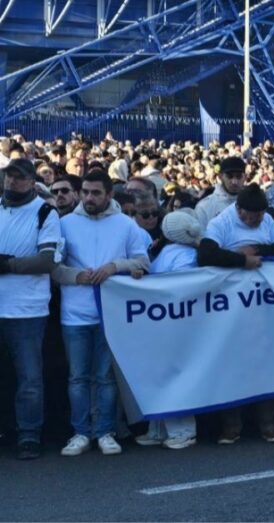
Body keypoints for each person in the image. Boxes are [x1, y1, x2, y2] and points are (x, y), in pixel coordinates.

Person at [53, 170, 151, 456]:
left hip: (111, 315)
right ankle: (81, 432)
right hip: (74, 314)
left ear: (109, 194)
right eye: (85, 192)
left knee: (105, 378)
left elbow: (142, 262)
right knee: (77, 377)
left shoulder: (126, 225)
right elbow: (54, 267)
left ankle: (105, 431)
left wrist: (114, 267)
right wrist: (76, 276)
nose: (89, 198)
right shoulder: (65, 224)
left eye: (96, 193)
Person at [197, 184, 274, 444]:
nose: (256, 221)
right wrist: (240, 260)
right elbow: (206, 254)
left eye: (260, 216)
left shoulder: (267, 220)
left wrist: (258, 251)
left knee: (266, 362)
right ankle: (231, 426)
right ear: (239, 210)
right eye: (251, 217)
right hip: (231, 308)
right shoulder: (222, 222)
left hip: (263, 305)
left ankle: (268, 423)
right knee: (232, 364)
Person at [0, 159, 61, 460]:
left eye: (19, 178)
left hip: (27, 310)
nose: (12, 182)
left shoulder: (45, 212)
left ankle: (29, 434)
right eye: (9, 176)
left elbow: (46, 261)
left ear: (31, 181)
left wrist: (8, 264)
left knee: (29, 378)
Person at [133, 210, 202, 450]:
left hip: (176, 321)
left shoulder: (186, 255)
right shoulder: (166, 252)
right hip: (161, 321)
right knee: (159, 375)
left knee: (174, 374)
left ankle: (183, 430)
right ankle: (159, 427)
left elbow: (182, 285)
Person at [195, 156, 246, 227]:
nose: (234, 182)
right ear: (220, 177)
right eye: (229, 176)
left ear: (245, 177)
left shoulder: (254, 204)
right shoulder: (205, 207)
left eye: (238, 176)